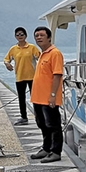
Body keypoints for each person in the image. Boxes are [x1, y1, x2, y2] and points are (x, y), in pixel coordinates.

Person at [30, 26, 65, 163]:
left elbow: (57, 75)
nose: (38, 37)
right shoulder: (42, 54)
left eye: (41, 35)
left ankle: (56, 151)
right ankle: (46, 148)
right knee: (42, 123)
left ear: (49, 37)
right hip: (37, 97)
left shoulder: (55, 53)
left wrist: (52, 95)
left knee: (53, 124)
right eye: (36, 35)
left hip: (48, 97)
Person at [3, 27, 41, 125]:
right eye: (18, 35)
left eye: (22, 34)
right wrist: (7, 64)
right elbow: (7, 59)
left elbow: (40, 58)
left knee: (35, 98)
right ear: (15, 36)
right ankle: (24, 117)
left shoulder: (32, 47)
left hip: (33, 77)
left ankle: (39, 117)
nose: (20, 36)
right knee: (21, 98)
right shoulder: (13, 49)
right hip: (20, 77)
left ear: (25, 36)